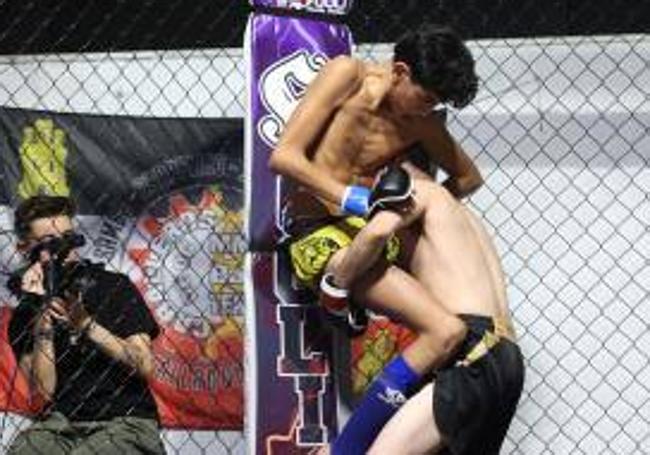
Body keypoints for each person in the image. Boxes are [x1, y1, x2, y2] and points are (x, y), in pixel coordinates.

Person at [269, 23, 483, 453]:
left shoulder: (422, 125)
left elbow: (468, 178)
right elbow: (284, 156)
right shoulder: (346, 75)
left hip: (371, 235)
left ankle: (339, 291)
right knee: (443, 330)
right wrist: (353, 198)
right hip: (316, 231)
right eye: (425, 99)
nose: (427, 112)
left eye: (437, 105)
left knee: (452, 337)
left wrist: (412, 217)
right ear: (400, 71)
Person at [6, 195, 165, 455]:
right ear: (25, 249)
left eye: (68, 237)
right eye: (50, 243)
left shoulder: (113, 286)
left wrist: (86, 325)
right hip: (60, 426)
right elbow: (44, 393)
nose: (63, 249)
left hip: (124, 420)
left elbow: (144, 365)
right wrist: (41, 317)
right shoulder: (25, 314)